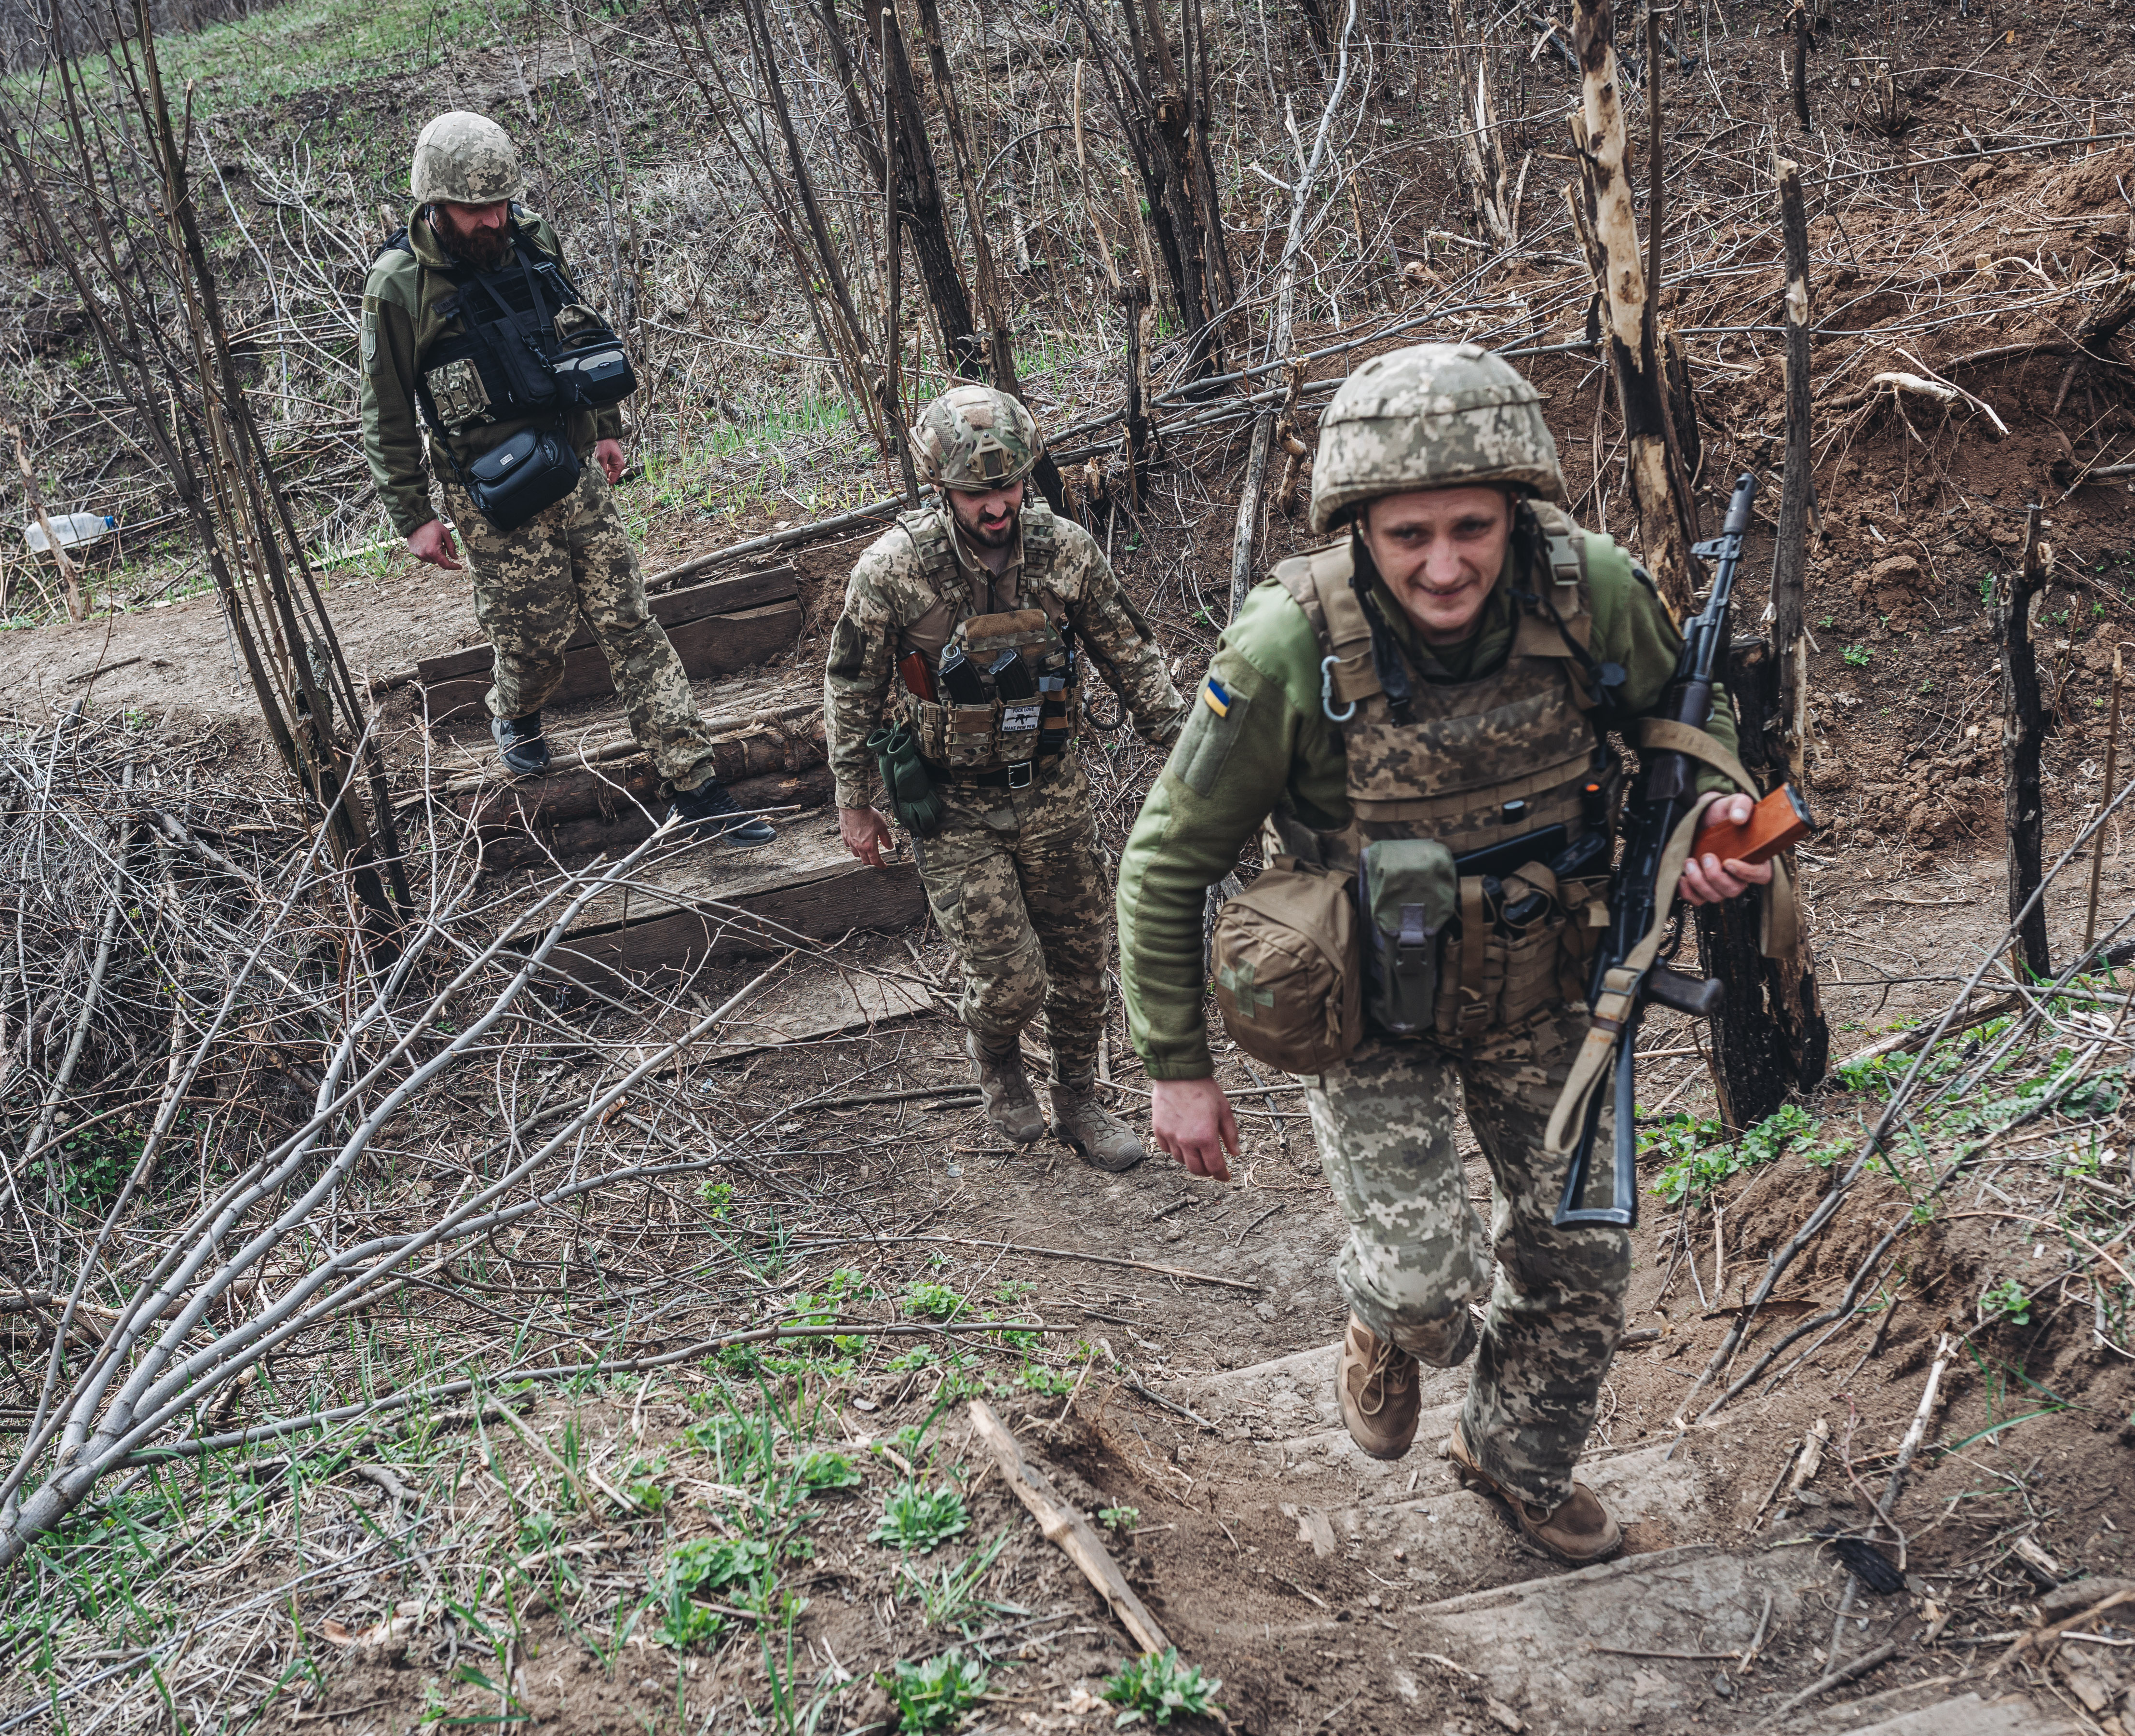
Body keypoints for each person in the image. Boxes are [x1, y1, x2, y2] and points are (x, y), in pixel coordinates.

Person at [1113, 342, 1774, 1563]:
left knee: (1582, 1251)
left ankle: (1516, 1464)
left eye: (1472, 527)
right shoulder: (1285, 644)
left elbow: (1690, 711)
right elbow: (1165, 859)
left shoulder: (1590, 591)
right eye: (1408, 534)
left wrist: (1717, 813)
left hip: (1552, 986)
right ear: (1359, 523)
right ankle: (1380, 1315)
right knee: (1429, 1286)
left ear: (1515, 509)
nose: (1445, 563)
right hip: (1371, 1007)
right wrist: (1177, 1067)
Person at [358, 110, 770, 844]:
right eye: (475, 209)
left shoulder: (532, 240)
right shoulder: (399, 288)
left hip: (571, 465)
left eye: (501, 204)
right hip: (492, 498)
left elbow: (576, 336)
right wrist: (413, 513)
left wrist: (605, 430)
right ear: (435, 205)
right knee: (537, 641)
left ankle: (696, 786)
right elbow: (384, 407)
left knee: (629, 623)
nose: (493, 221)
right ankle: (514, 709)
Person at [825, 386, 1186, 1169]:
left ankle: (1080, 1099)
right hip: (953, 802)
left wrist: (1186, 749)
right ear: (941, 488)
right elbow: (850, 685)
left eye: (1010, 484)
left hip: (1051, 785)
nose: (998, 505)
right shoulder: (893, 570)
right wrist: (855, 801)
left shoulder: (1064, 551)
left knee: (1081, 962)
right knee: (1010, 980)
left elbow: (1129, 651)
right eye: (977, 491)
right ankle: (995, 1058)